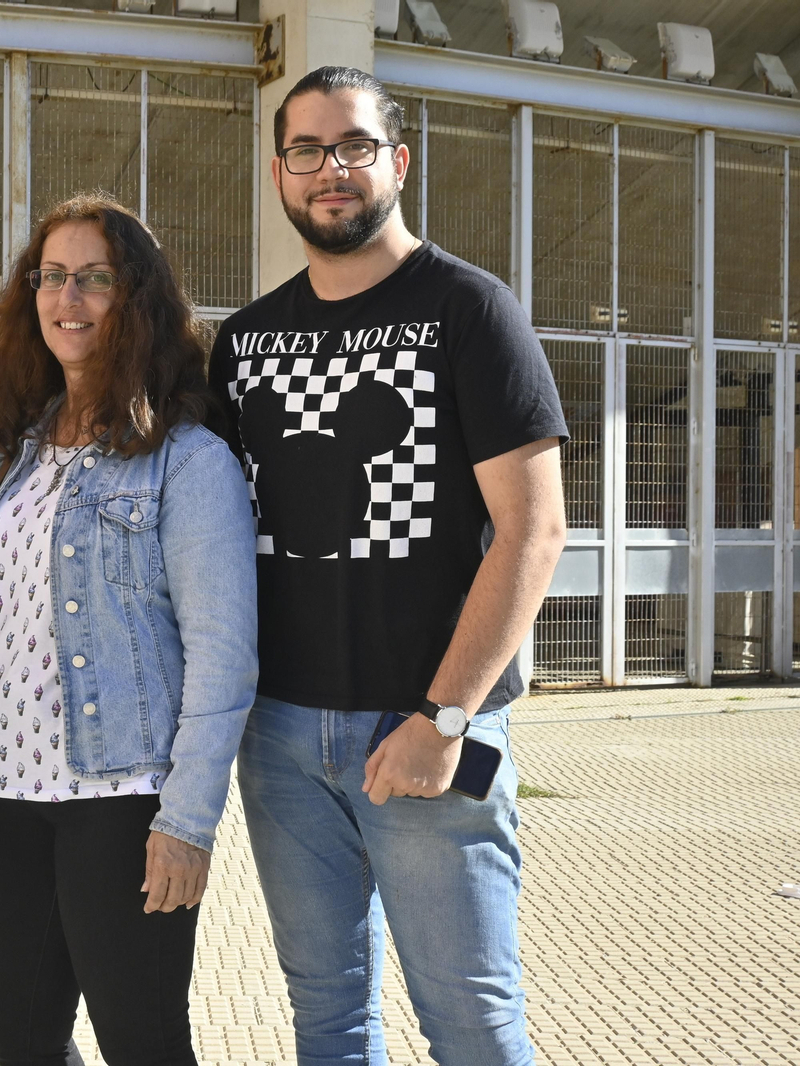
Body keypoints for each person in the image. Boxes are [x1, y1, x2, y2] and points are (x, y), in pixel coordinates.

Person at [208, 67, 569, 1065]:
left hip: (424, 731)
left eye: (354, 146)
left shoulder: (469, 309)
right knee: (325, 1013)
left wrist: (443, 717)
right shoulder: (243, 345)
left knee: (471, 1018)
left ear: (397, 161)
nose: (331, 169)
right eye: (307, 150)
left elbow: (534, 530)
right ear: (280, 173)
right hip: (277, 736)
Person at [0, 194, 259, 1066]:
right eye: (52, 277)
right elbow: (20, 593)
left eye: (94, 279)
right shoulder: (22, 453)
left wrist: (186, 823)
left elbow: (224, 653)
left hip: (125, 797)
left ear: (134, 299)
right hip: (13, 788)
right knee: (15, 1023)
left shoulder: (191, 461)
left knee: (140, 1038)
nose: (68, 297)